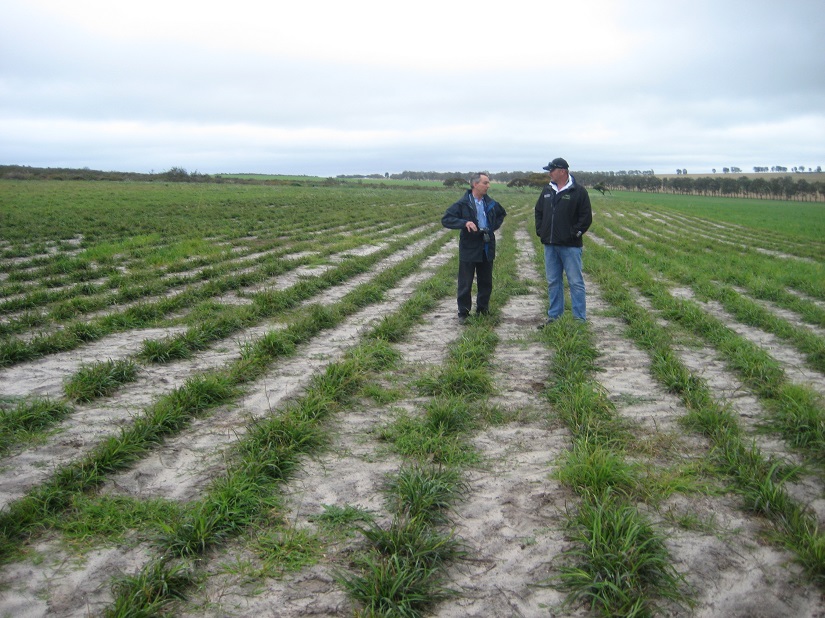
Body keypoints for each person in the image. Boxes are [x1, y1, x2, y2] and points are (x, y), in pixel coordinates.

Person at [534, 157, 592, 326]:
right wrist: (541, 230)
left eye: (551, 170)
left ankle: (579, 319)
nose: (549, 173)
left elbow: (586, 217)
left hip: (570, 247)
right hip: (550, 245)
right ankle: (554, 316)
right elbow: (538, 211)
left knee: (575, 282)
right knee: (553, 281)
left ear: (562, 171)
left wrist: (575, 234)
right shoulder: (547, 190)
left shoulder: (578, 191)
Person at [442, 172, 507, 322]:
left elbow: (501, 214)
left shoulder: (490, 203)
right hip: (469, 247)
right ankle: (463, 313)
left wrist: (490, 228)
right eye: (485, 183)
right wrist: (464, 223)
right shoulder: (462, 204)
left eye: (488, 183)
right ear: (475, 184)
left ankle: (483, 310)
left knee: (486, 281)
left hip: (486, 246)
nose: (488, 186)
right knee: (465, 282)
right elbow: (446, 219)